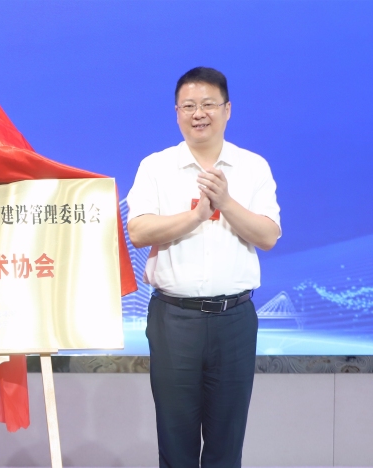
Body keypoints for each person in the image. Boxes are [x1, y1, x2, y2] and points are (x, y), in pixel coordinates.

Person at [126, 67, 281, 468]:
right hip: (174, 318)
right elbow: (138, 231)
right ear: (177, 113)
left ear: (227, 110)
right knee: (175, 438)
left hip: (235, 319)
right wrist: (195, 217)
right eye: (189, 106)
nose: (199, 113)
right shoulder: (156, 167)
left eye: (208, 104)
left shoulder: (252, 167)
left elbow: (268, 235)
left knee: (226, 441)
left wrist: (226, 203)